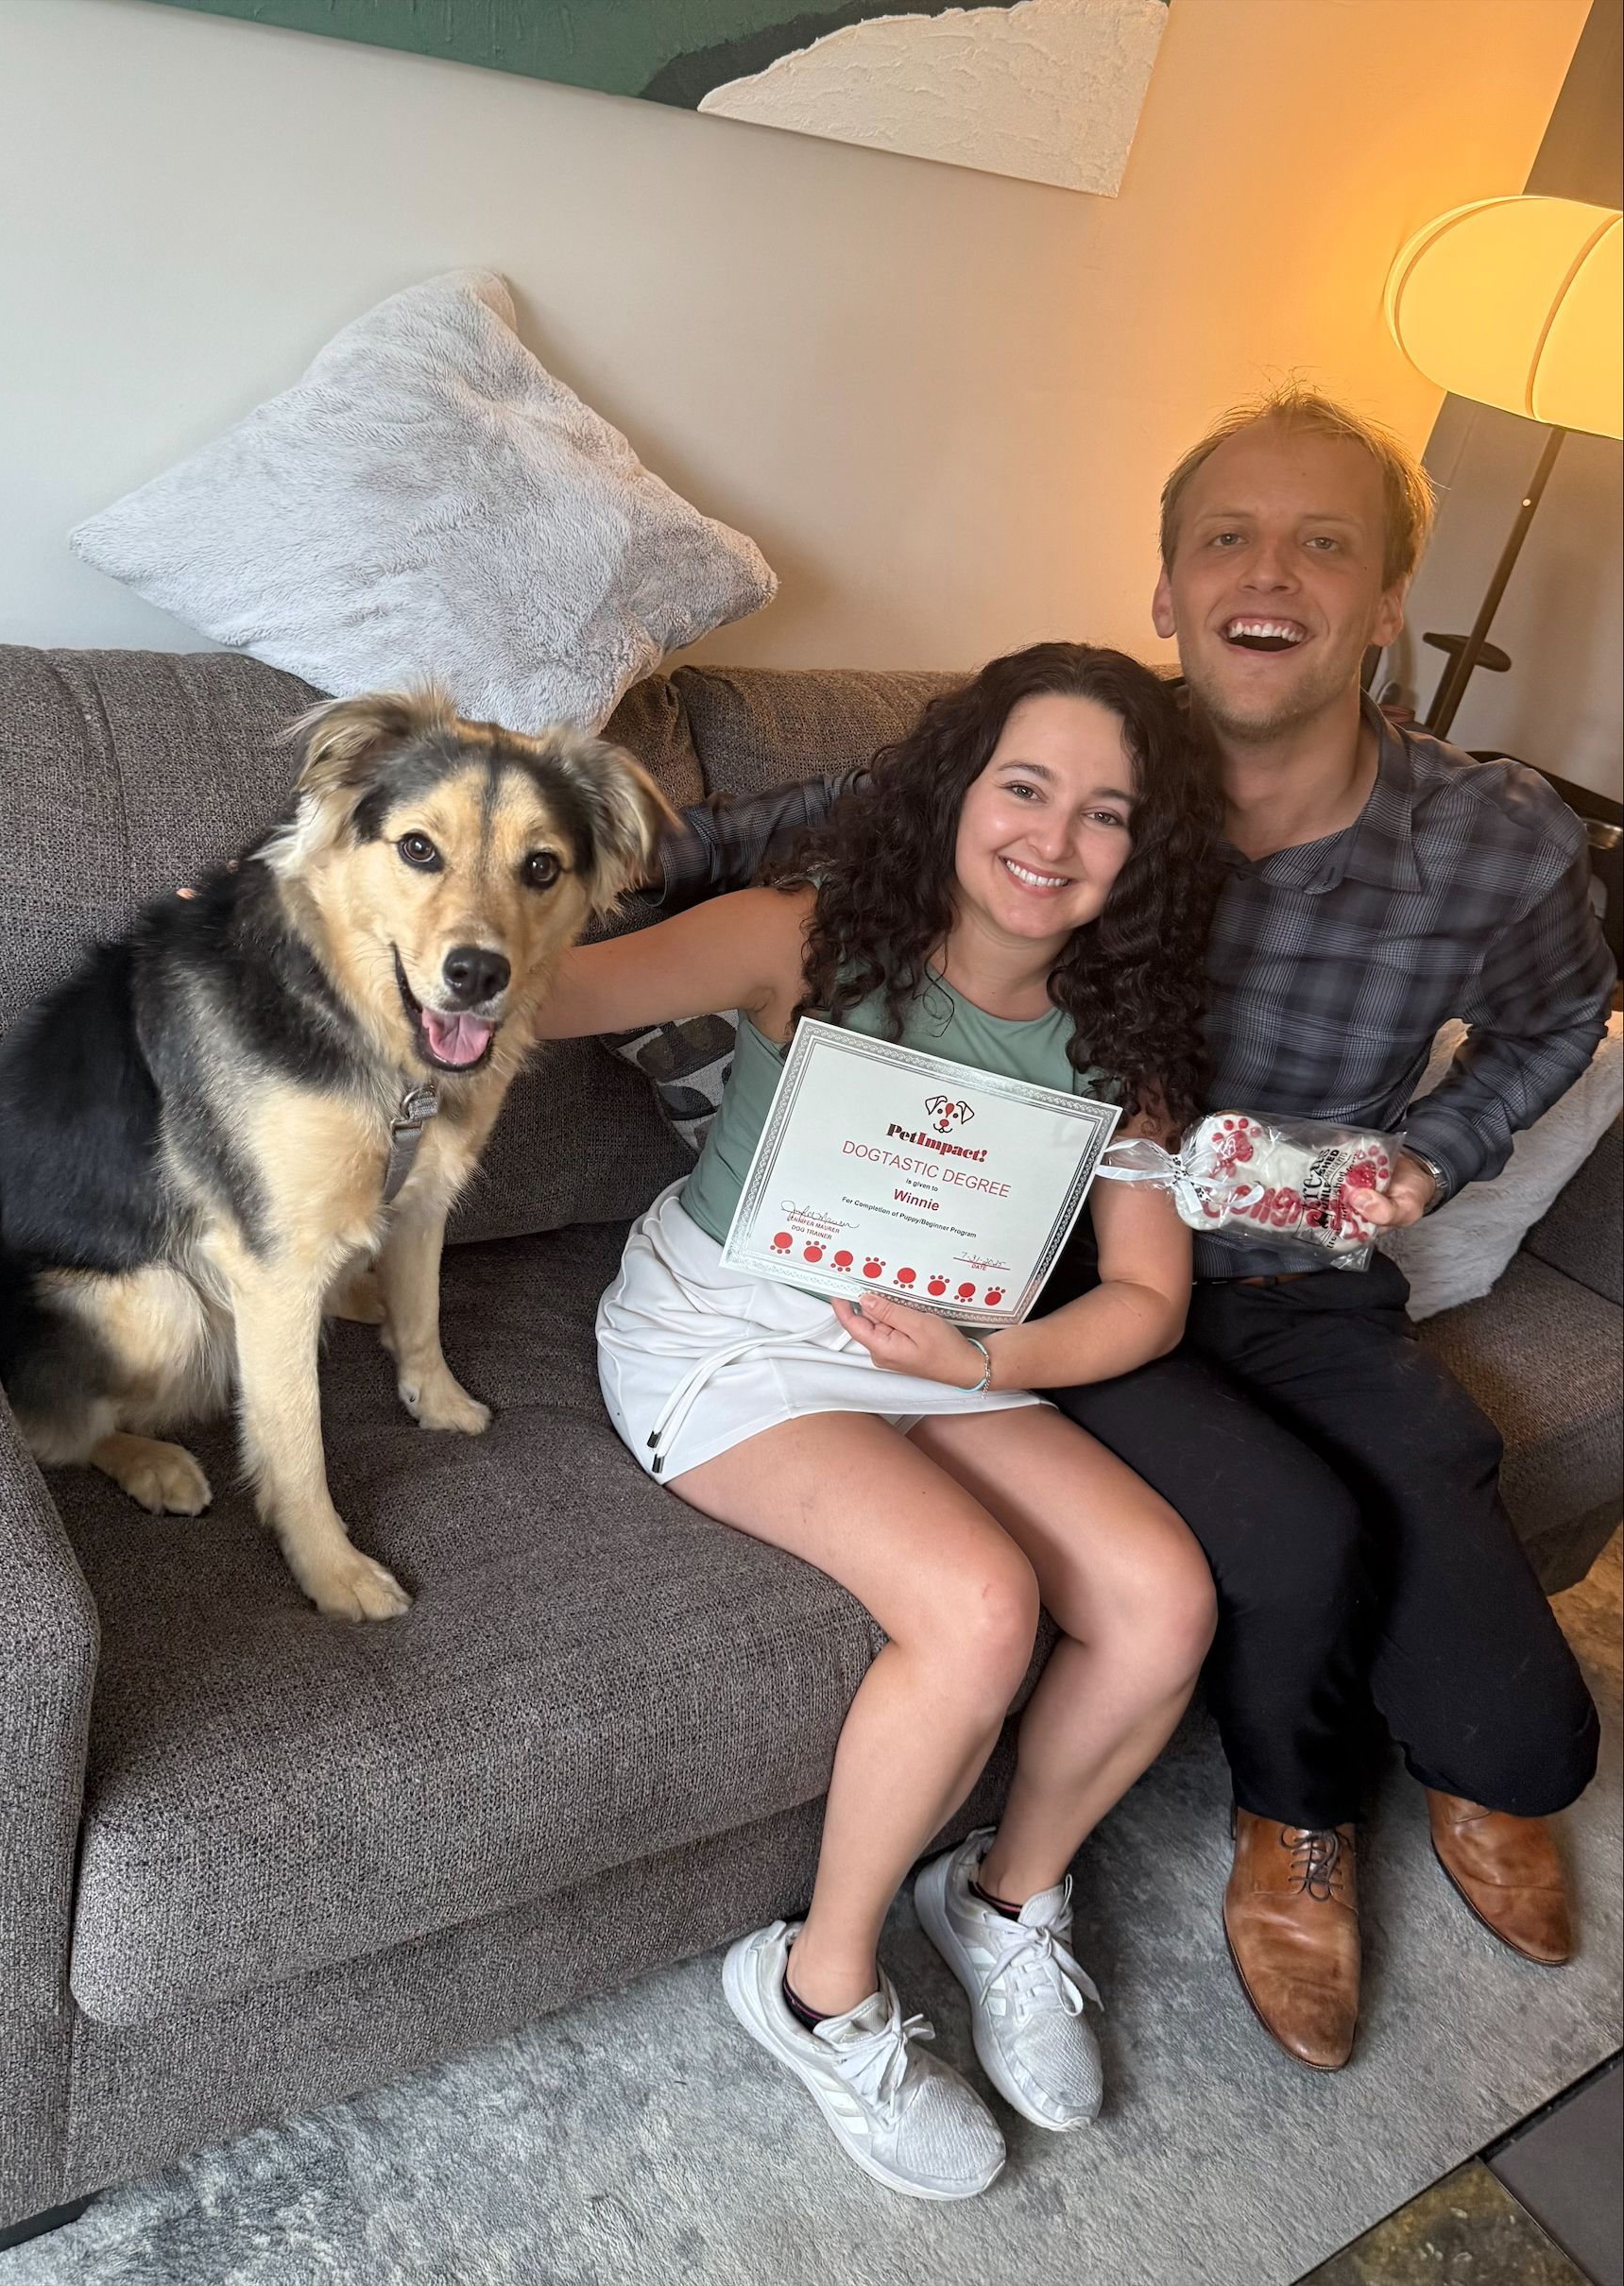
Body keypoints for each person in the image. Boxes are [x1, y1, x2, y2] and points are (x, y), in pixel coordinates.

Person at [641, 384, 1615, 2073]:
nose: (1271, 573)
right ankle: (1293, 1826)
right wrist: (506, 861)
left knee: (1525, 1729)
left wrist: (1431, 1160)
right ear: (1166, 587)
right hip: (1061, 1276)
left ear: (1389, 604)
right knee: (1284, 1538)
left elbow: (1556, 1026)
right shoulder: (1078, 768)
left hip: (1302, 1275)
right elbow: (759, 864)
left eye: (1327, 545)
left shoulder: (1496, 843)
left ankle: (1466, 1766)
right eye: (1226, 536)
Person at [537, 642, 1221, 2198]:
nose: (1054, 838)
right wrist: (330, 930)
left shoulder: (1126, 1053)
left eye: (1106, 814)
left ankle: (1002, 1899)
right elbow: (546, 987)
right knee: (982, 1607)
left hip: (949, 1349)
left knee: (1164, 1599)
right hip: (736, 1335)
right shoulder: (807, 936)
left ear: (1146, 851)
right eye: (1026, 786)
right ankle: (816, 1987)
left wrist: (985, 1365)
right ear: (958, 791)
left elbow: (1149, 1302)